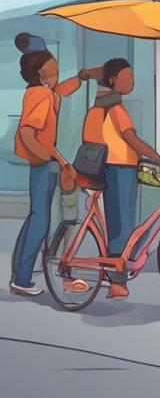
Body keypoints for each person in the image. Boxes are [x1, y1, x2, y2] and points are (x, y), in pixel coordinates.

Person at [9, 34, 101, 296]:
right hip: (43, 164)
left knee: (35, 218)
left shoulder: (40, 91)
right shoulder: (42, 97)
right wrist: (60, 161)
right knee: (40, 221)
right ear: (42, 73)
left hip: (41, 163)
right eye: (55, 71)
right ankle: (22, 280)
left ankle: (20, 272)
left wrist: (82, 76)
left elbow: (60, 91)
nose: (58, 75)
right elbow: (28, 133)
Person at [83, 58, 160, 299]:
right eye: (128, 76)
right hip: (120, 169)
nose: (132, 81)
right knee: (122, 226)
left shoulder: (99, 106)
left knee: (120, 223)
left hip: (110, 168)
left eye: (134, 76)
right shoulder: (116, 108)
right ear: (113, 80)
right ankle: (116, 280)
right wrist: (157, 157)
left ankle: (119, 271)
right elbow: (132, 139)